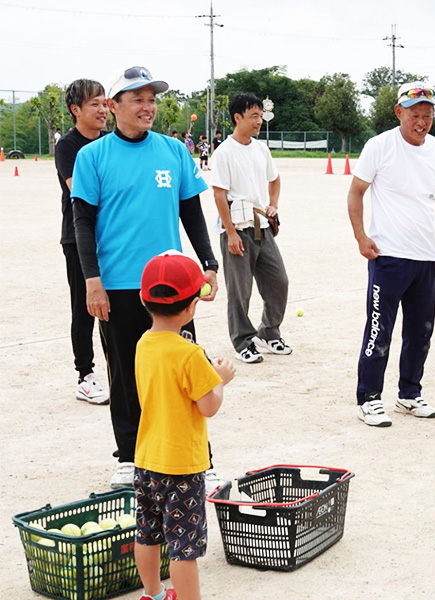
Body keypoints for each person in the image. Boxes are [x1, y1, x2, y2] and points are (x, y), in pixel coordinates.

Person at [71, 66, 222, 490]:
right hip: (118, 284)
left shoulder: (174, 151)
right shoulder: (92, 157)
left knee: (184, 373)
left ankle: (201, 460)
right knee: (124, 373)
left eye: (152, 99)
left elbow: (191, 212)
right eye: (137, 99)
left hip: (171, 283)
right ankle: (129, 457)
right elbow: (83, 222)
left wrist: (208, 263)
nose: (147, 107)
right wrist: (92, 280)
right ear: (114, 105)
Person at [347, 81, 435, 428]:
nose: (422, 122)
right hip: (388, 256)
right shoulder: (379, 146)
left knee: (421, 332)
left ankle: (409, 393)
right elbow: (356, 192)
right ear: (398, 112)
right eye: (415, 115)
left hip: (424, 257)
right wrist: (361, 237)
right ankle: (369, 399)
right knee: (379, 331)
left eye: (427, 116)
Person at [134, 251, 236, 600]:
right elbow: (209, 406)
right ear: (192, 307)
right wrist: (219, 379)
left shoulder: (143, 344)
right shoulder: (191, 354)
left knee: (148, 533)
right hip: (181, 466)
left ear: (143, 300)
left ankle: (153, 593)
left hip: (146, 459)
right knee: (183, 546)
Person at [211, 93, 291, 364]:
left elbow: (275, 179)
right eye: (254, 116)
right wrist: (231, 233)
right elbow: (219, 195)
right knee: (240, 290)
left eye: (261, 116)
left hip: (262, 226)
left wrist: (273, 204)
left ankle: (268, 332)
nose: (259, 121)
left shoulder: (261, 149)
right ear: (238, 117)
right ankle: (243, 341)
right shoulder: (224, 152)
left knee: (279, 282)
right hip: (237, 228)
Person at [55, 79, 110, 405]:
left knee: (119, 303)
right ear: (76, 109)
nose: (103, 110)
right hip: (79, 236)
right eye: (95, 104)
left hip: (113, 235)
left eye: (104, 103)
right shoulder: (68, 146)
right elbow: (80, 190)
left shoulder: (110, 141)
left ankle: (122, 367)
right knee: (84, 306)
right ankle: (85, 376)